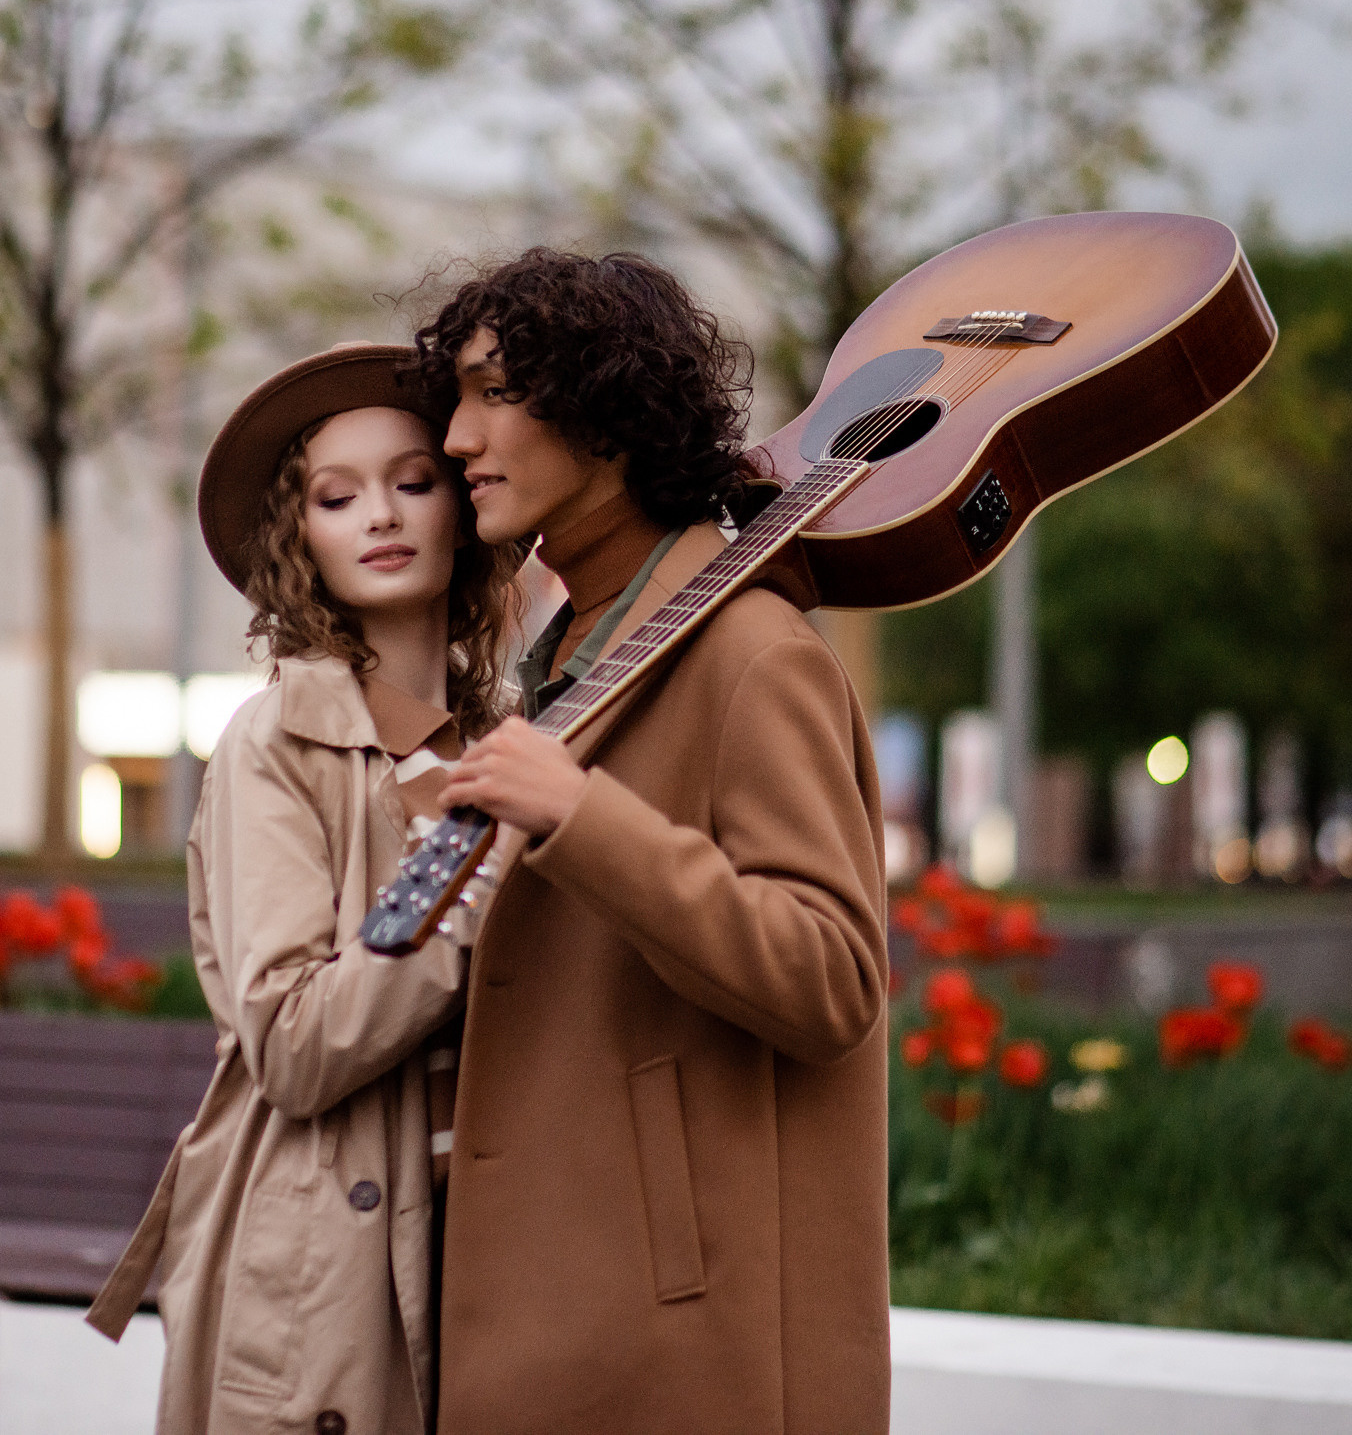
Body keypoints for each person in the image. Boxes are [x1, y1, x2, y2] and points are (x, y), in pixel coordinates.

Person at [414, 250, 891, 1434]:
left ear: (609, 417)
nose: (457, 439)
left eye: (494, 393)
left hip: (686, 1355)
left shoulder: (752, 654)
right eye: (455, 399)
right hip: (558, 1326)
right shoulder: (567, 650)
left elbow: (831, 975)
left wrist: (582, 818)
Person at [87, 342, 527, 1435]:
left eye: (413, 482)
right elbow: (288, 1039)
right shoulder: (274, 743)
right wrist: (473, 912)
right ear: (302, 537)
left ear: (461, 508)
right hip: (336, 1263)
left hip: (500, 1248)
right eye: (338, 496)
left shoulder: (517, 742)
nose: (380, 514)